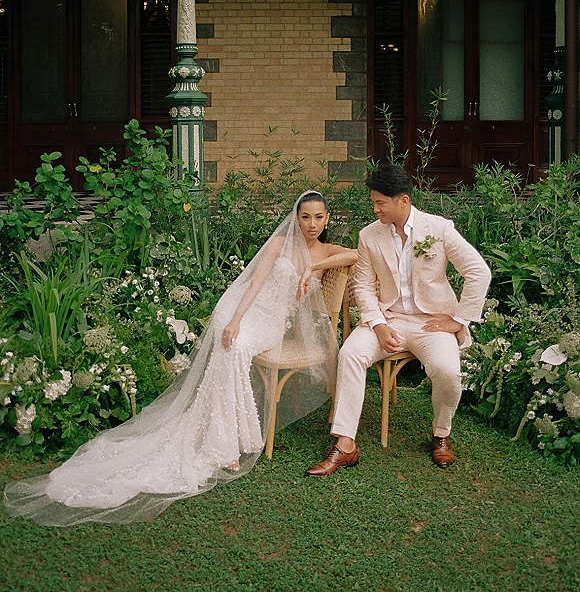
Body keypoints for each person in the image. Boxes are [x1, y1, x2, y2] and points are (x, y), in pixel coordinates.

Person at [3, 191, 357, 525]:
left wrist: (311, 269)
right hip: (244, 311)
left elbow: (355, 255)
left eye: (318, 217)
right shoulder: (280, 244)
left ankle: (227, 439)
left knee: (236, 351)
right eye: (305, 216)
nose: (312, 224)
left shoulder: (327, 251)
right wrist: (235, 320)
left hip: (271, 324)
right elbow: (252, 284)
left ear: (327, 220)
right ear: (296, 218)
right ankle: (225, 441)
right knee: (231, 345)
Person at [305, 166, 491, 475]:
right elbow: (363, 285)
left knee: (447, 370)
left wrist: (459, 320)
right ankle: (345, 444)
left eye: (380, 203)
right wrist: (377, 324)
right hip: (387, 318)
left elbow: (478, 272)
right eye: (373, 202)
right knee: (350, 354)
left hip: (432, 323)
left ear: (402, 200)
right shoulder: (369, 235)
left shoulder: (439, 229)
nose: (375, 209)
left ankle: (441, 434)